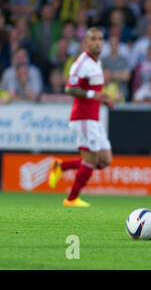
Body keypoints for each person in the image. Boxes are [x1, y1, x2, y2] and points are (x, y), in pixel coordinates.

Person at [47, 28, 114, 207]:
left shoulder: (96, 63)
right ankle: (71, 199)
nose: (98, 42)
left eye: (100, 39)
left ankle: (60, 166)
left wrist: (104, 99)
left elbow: (94, 91)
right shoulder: (80, 63)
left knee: (105, 160)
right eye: (93, 39)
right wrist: (94, 95)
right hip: (83, 118)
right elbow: (69, 88)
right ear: (86, 42)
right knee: (91, 160)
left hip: (94, 118)